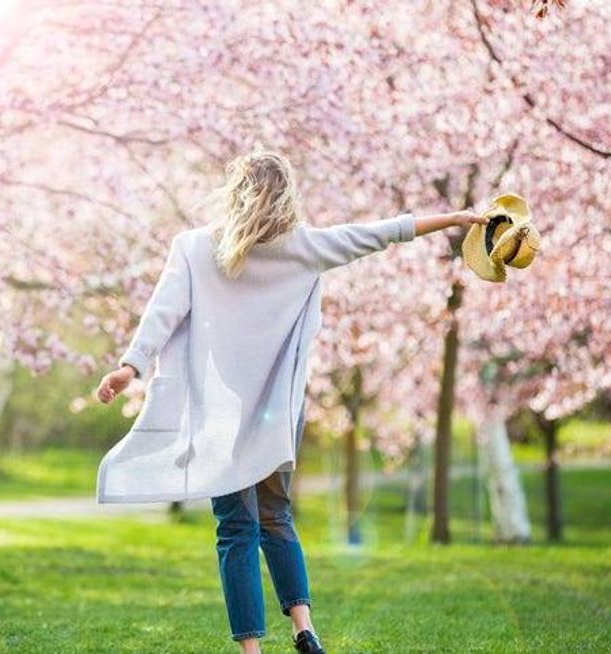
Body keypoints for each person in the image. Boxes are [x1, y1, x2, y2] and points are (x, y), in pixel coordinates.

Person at [95, 150, 488, 654]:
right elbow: (381, 232)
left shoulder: (194, 248)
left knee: (236, 527)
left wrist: (131, 366)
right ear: (286, 195)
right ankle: (304, 629)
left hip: (222, 414)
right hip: (277, 411)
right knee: (276, 514)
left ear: (235, 193)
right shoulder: (304, 248)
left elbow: (162, 314)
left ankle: (252, 651)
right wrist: (454, 219)